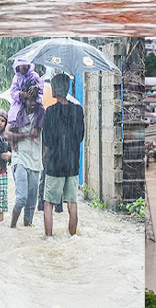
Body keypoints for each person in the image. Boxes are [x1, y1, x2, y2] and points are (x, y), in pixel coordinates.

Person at [42, 73, 85, 237]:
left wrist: (47, 157)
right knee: (72, 203)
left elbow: (47, 139)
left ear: (54, 90)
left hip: (55, 163)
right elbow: (80, 136)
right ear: (67, 89)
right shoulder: (78, 110)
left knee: (48, 203)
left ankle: (48, 237)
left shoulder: (50, 112)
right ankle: (73, 236)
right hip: (72, 164)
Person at [6, 59, 46, 227]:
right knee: (21, 197)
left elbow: (47, 138)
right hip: (20, 159)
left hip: (36, 161)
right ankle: (13, 227)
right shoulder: (17, 115)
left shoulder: (41, 115)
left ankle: (26, 228)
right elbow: (7, 134)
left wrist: (44, 156)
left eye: (34, 100)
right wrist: (26, 135)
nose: (32, 103)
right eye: (29, 100)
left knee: (31, 203)